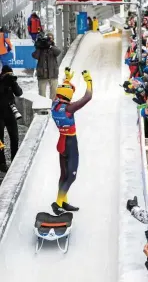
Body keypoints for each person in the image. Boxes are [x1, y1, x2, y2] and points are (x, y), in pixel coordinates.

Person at [50, 68, 93, 215]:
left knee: (64, 174)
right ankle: (58, 203)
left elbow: (65, 91)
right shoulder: (69, 108)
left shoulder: (54, 104)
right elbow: (87, 97)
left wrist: (67, 80)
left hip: (62, 142)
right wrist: (89, 81)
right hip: (71, 144)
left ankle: (62, 202)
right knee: (72, 176)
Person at [0, 65, 23, 172]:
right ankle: (2, 162)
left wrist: (13, 82)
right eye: (7, 74)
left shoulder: (11, 82)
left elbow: (19, 93)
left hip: (10, 113)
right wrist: (3, 82)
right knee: (0, 141)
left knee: (15, 138)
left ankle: (14, 160)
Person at [32, 33, 62, 100]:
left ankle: (52, 107)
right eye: (48, 38)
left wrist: (50, 46)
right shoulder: (40, 48)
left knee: (53, 94)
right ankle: (43, 108)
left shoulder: (53, 47)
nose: (49, 40)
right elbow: (35, 56)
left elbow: (58, 52)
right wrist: (38, 46)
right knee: (41, 95)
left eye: (50, 38)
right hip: (42, 75)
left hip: (53, 74)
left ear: (53, 39)